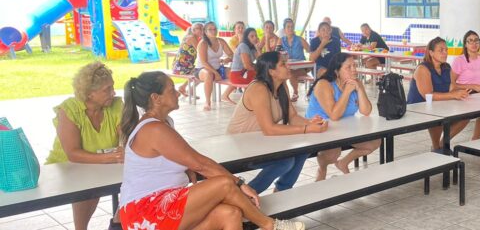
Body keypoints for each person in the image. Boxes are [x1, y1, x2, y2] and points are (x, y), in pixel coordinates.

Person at [117, 72, 304, 230]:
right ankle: (271, 225)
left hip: (163, 203)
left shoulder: (164, 123)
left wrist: (186, 168)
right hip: (145, 212)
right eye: (171, 90)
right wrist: (240, 184)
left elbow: (180, 159)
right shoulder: (153, 129)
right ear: (155, 99)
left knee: (231, 213)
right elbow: (201, 164)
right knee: (224, 184)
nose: (178, 93)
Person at [227, 51, 328, 193]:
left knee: (303, 150)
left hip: (261, 141)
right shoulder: (258, 88)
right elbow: (269, 129)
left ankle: (282, 190)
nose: (288, 66)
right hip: (240, 146)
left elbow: (292, 117)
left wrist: (310, 123)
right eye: (283, 64)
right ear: (271, 71)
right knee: (285, 162)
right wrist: (307, 129)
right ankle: (245, 195)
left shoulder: (281, 86)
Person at [44, 62, 123, 230]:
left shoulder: (116, 105)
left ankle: (119, 221)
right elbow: (73, 153)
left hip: (102, 164)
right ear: (89, 94)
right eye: (106, 89)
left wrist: (122, 147)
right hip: (67, 166)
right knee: (90, 187)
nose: (113, 92)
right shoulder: (70, 109)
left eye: (112, 87)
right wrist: (113, 156)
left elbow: (125, 135)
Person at [305, 53, 380, 180]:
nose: (354, 70)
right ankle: (322, 170)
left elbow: (366, 111)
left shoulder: (355, 82)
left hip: (344, 128)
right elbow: (334, 115)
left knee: (374, 142)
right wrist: (347, 91)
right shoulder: (324, 84)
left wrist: (360, 89)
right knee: (333, 152)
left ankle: (343, 163)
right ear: (336, 71)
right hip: (320, 128)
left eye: (355, 66)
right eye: (348, 67)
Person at [407, 37, 470, 153]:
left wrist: (474, 87)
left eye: (446, 50)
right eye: (441, 50)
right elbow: (428, 95)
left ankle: (442, 144)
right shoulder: (422, 69)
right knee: (438, 117)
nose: (445, 53)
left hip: (438, 105)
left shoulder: (446, 67)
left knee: (466, 116)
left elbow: (452, 87)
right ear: (431, 53)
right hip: (416, 109)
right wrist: (453, 95)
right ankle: (436, 147)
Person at [196, 22, 235, 111]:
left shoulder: (221, 41)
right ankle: (207, 102)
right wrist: (215, 73)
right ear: (205, 32)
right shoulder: (203, 44)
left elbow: (231, 55)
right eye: (210, 29)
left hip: (218, 68)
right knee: (209, 74)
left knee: (235, 73)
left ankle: (225, 95)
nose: (213, 31)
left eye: (215, 29)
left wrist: (227, 59)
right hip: (202, 69)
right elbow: (204, 62)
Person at [280, 18, 312, 102]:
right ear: (284, 29)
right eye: (288, 27)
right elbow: (277, 53)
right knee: (280, 75)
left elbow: (310, 50)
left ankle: (295, 92)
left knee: (291, 73)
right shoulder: (281, 40)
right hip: (288, 66)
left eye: (292, 27)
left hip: (302, 67)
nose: (290, 29)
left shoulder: (300, 39)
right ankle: (282, 96)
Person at [172, 22, 203, 97]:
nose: (202, 31)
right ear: (193, 30)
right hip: (182, 67)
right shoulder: (192, 38)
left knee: (201, 71)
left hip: (180, 66)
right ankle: (190, 91)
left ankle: (183, 87)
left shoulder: (192, 37)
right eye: (200, 29)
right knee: (202, 73)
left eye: (203, 29)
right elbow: (200, 51)